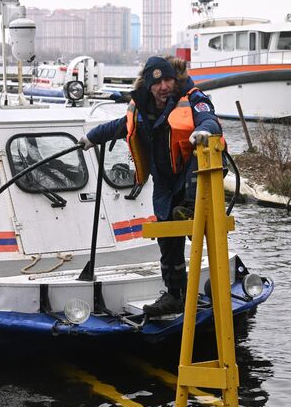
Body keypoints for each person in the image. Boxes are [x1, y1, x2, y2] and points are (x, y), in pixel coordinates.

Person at [79, 56, 222, 316]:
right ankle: (175, 294)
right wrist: (91, 137)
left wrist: (203, 132)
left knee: (199, 229)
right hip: (164, 184)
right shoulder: (142, 107)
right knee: (168, 241)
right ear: (148, 85)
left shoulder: (192, 99)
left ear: (175, 80)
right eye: (158, 83)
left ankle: (215, 274)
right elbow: (121, 126)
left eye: (168, 80)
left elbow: (209, 119)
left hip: (191, 177)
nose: (164, 87)